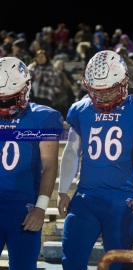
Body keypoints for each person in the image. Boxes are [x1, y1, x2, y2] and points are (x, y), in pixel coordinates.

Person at [57, 50, 133, 270]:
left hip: (122, 199)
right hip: (86, 196)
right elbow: (71, 150)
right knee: (71, 258)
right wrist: (63, 189)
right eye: (98, 91)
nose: (103, 96)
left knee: (117, 264)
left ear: (124, 82)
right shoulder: (80, 108)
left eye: (109, 90)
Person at [0, 57, 64, 270]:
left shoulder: (44, 117)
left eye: (9, 99)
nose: (4, 105)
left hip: (23, 207)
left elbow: (49, 166)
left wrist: (40, 207)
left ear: (25, 89)